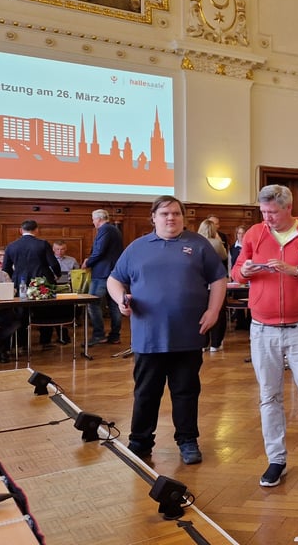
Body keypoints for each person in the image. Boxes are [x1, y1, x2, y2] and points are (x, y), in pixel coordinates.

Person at [230, 185, 298, 488]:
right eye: (263, 212)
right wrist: (246, 271)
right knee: (269, 397)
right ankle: (276, 459)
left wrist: (296, 270)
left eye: (272, 212)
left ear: (288, 208)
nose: (266, 218)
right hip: (262, 329)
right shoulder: (255, 233)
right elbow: (237, 271)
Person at [107, 195, 226, 465]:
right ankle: (140, 440)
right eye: (164, 214)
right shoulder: (137, 247)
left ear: (183, 217)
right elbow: (115, 280)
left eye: (175, 213)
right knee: (146, 390)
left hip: (188, 334)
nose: (170, 218)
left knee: (186, 390)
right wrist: (120, 300)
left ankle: (187, 440)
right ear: (154, 217)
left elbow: (219, 279)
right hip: (148, 336)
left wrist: (213, 310)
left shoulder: (199, 245)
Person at [84, 209, 124, 347]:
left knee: (92, 303)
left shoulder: (105, 229)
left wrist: (87, 262)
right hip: (114, 274)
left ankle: (99, 335)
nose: (93, 222)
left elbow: (99, 251)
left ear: (99, 219)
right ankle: (115, 336)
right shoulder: (114, 230)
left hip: (102, 273)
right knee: (114, 305)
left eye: (93, 219)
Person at [3, 220, 62, 291]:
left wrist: (15, 277)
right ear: (37, 230)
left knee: (21, 301)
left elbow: (6, 268)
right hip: (42, 281)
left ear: (21, 230)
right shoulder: (43, 244)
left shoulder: (11, 246)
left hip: (20, 282)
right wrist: (58, 274)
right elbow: (53, 263)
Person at [198, 219, 228, 352]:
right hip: (215, 283)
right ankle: (215, 343)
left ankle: (203, 343)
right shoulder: (216, 243)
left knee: (201, 312)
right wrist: (218, 240)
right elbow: (224, 256)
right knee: (218, 313)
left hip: (199, 284)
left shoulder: (195, 243)